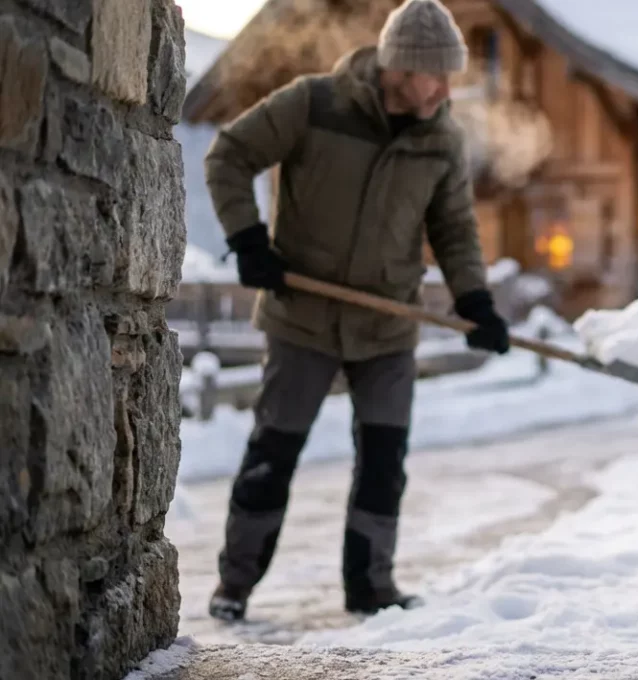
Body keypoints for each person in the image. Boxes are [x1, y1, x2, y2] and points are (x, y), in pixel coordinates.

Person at [202, 0, 510, 621]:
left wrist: (474, 299)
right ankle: (234, 584)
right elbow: (228, 155)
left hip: (388, 321)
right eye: (437, 74)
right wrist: (247, 240)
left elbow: (453, 228)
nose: (448, 88)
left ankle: (370, 586)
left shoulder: (441, 137)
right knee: (273, 454)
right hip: (303, 314)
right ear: (400, 67)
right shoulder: (314, 104)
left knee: (382, 462)